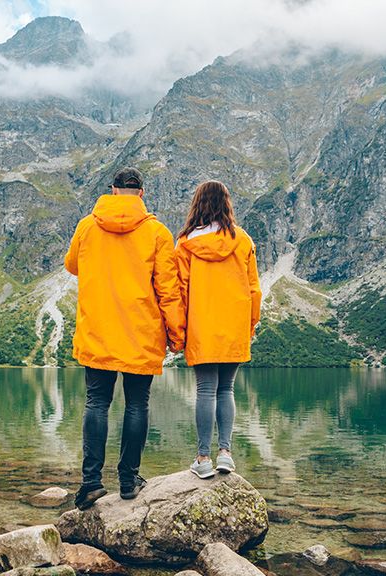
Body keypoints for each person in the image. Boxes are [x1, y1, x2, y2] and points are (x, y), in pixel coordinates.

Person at [64, 167, 186, 510]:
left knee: (96, 402)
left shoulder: (87, 226)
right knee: (137, 404)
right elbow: (168, 289)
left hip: (99, 329)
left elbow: (72, 264)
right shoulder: (157, 232)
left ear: (113, 190)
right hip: (141, 331)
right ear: (142, 194)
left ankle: (90, 484)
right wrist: (177, 334)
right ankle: (129, 480)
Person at [175, 180, 261, 479]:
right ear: (227, 205)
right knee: (227, 389)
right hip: (234, 324)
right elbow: (254, 289)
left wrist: (180, 329)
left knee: (205, 390)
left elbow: (181, 290)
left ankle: (202, 458)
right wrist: (249, 324)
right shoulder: (244, 240)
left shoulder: (186, 243)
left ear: (197, 204)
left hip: (202, 325)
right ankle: (225, 453)